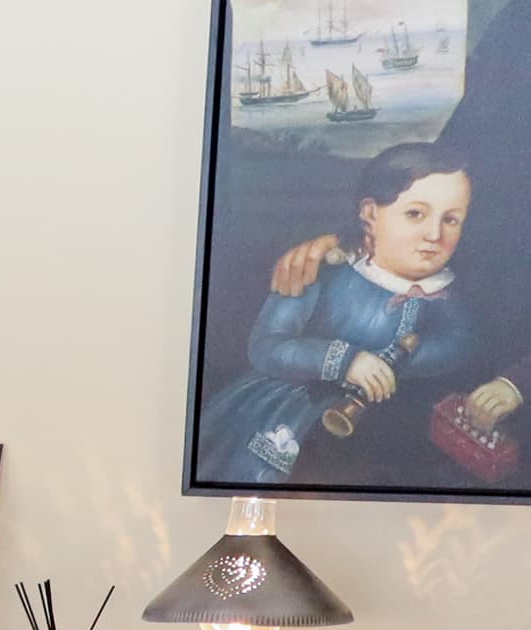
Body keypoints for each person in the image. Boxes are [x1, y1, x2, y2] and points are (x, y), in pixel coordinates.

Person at [214, 146, 523, 485]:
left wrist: (394, 362)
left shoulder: (446, 293)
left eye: (451, 220)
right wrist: (346, 361)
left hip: (381, 429)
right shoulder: (321, 269)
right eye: (415, 214)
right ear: (370, 213)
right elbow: (266, 347)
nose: (435, 235)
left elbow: (462, 345)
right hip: (289, 412)